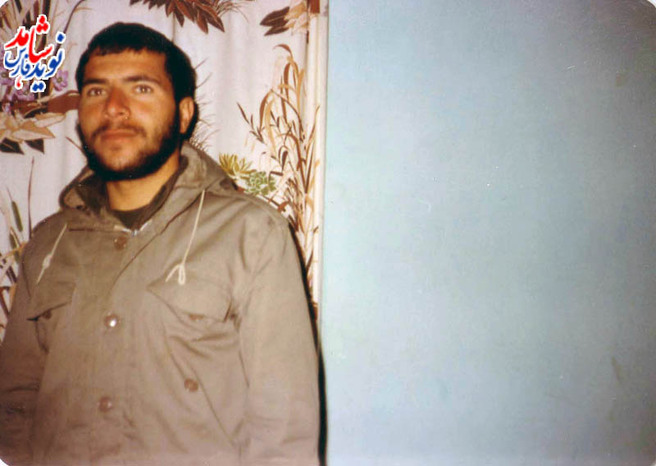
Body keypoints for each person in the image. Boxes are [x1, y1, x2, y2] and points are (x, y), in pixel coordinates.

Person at [0, 22, 319, 466]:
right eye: (96, 91)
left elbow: (283, 434)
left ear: (184, 115)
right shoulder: (47, 243)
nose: (114, 107)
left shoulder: (252, 234)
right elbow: (15, 405)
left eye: (141, 88)